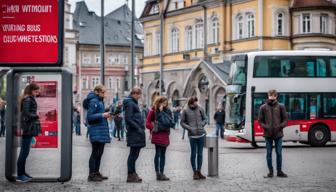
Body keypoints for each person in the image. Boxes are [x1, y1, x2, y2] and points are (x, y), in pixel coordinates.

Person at [258, 89, 288, 178]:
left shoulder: (281, 106)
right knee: (269, 153)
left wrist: (280, 127)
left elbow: (285, 120)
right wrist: (266, 127)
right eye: (270, 95)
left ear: (276, 96)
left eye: (273, 95)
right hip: (268, 134)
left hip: (278, 134)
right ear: (268, 95)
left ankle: (279, 171)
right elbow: (260, 121)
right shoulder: (263, 107)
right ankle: (270, 172)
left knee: (279, 153)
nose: (272, 97)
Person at [85, 85, 111, 182]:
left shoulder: (99, 101)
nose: (104, 94)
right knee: (95, 153)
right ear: (97, 92)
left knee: (99, 153)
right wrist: (102, 114)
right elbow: (90, 117)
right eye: (103, 92)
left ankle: (96, 172)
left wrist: (106, 114)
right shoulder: (93, 101)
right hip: (96, 130)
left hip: (101, 130)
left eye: (105, 92)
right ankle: (92, 174)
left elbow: (99, 115)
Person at [146, 96, 174, 181]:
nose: (165, 105)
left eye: (166, 103)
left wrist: (163, 112)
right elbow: (147, 123)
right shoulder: (153, 110)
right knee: (158, 153)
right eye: (163, 103)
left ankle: (162, 173)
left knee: (163, 155)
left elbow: (171, 122)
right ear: (159, 103)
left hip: (165, 134)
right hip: (157, 134)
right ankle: (158, 173)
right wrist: (154, 128)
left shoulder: (168, 111)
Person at [16, 83, 40, 182]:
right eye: (36, 91)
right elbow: (26, 113)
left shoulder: (29, 98)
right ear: (31, 90)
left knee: (25, 152)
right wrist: (36, 116)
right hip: (28, 128)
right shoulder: (28, 99)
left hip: (28, 127)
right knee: (24, 152)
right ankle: (20, 175)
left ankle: (23, 173)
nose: (38, 92)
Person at [180, 96, 207, 180]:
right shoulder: (185, 111)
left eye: (196, 101)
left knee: (200, 154)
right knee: (193, 154)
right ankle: (194, 172)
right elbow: (182, 123)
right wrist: (190, 128)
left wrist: (202, 124)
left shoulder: (200, 109)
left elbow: (205, 119)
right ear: (191, 102)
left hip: (201, 135)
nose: (196, 103)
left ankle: (199, 171)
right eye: (195, 101)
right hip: (192, 136)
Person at [123, 87, 146, 183]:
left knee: (135, 154)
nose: (140, 96)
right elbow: (128, 118)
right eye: (139, 94)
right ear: (134, 94)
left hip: (137, 132)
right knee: (133, 154)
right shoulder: (130, 103)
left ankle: (133, 173)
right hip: (134, 132)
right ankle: (130, 174)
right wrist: (138, 128)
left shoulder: (133, 103)